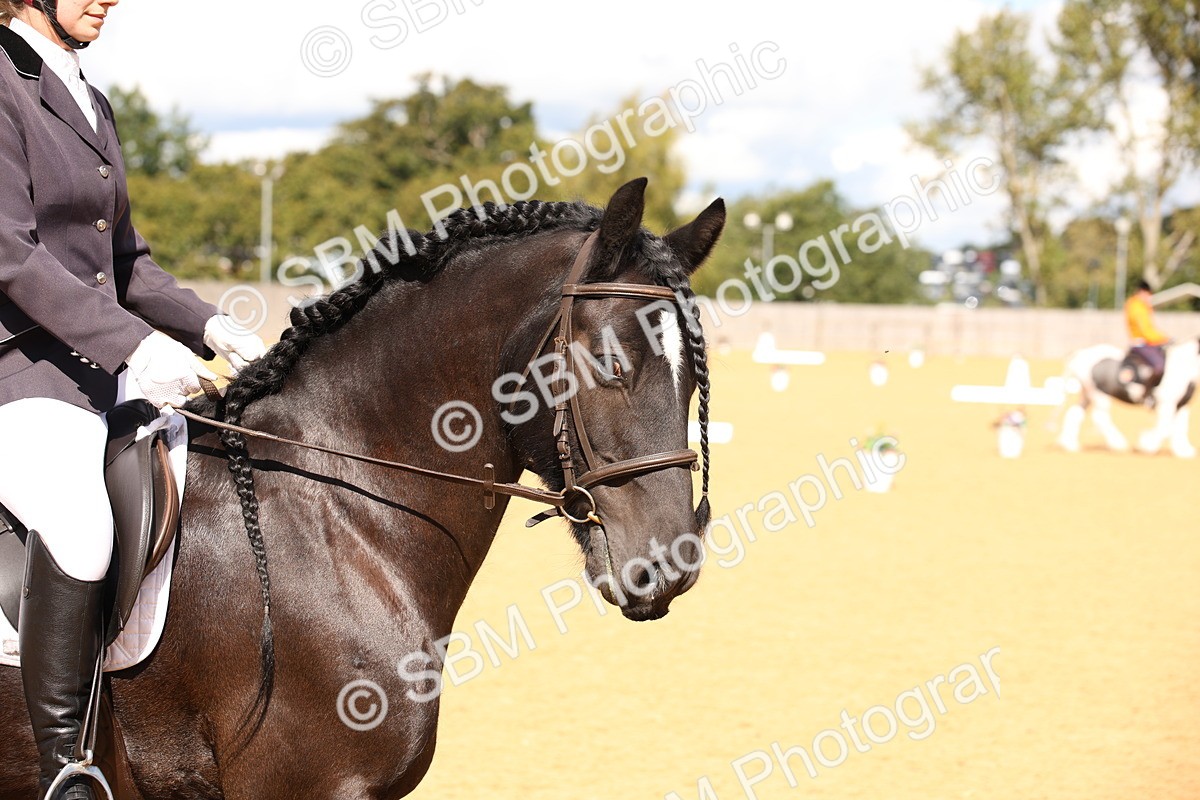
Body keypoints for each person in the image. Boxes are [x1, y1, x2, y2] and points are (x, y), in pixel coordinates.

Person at [0, 2, 267, 798]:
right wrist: (136, 345)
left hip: (94, 377)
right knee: (80, 527)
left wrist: (214, 326)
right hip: (17, 374)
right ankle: (65, 769)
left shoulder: (86, 96)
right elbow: (10, 256)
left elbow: (126, 264)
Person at [1121, 279, 1169, 400]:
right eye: (1148, 294)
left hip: (1149, 342)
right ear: (1142, 292)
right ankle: (1147, 394)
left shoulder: (1142, 306)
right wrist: (1163, 339)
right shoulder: (1137, 307)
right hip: (1141, 343)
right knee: (1159, 366)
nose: (1150, 297)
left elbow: (1150, 329)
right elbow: (1145, 331)